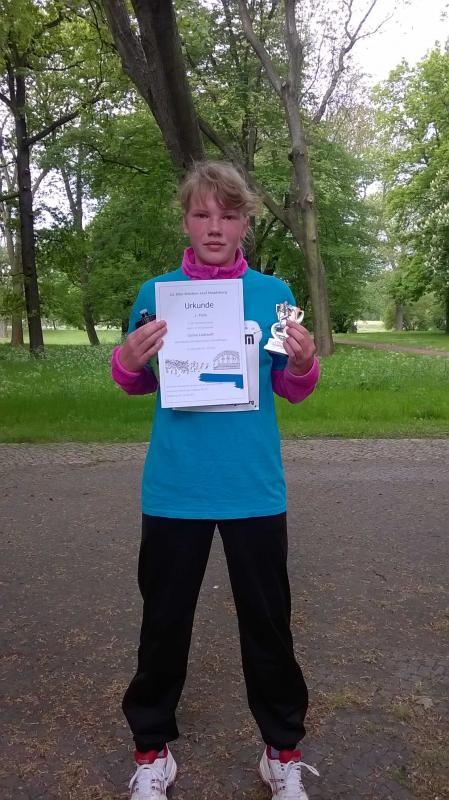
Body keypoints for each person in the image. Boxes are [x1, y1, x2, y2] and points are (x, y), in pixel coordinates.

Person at [111, 161, 320, 800]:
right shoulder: (156, 293)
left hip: (253, 488)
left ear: (244, 224)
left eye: (228, 216)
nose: (214, 227)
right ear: (185, 220)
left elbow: (292, 388)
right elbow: (133, 380)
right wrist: (126, 359)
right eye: (202, 214)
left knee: (268, 625)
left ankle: (281, 752)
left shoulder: (272, 293)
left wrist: (304, 362)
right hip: (175, 489)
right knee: (163, 625)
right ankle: (152, 752)